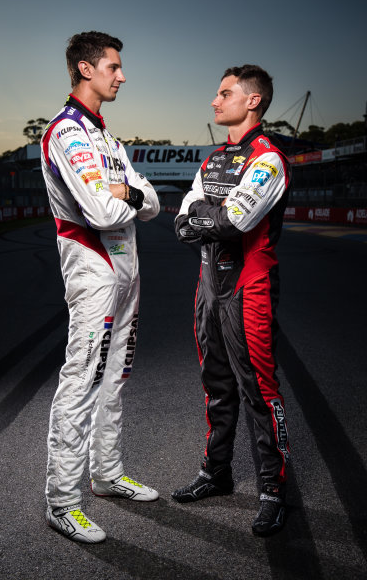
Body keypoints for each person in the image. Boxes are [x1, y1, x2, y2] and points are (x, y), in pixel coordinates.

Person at [41, 31, 160, 543]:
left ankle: (106, 475)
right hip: (93, 271)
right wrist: (127, 196)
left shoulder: (110, 141)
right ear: (85, 69)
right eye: (113, 66)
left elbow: (151, 202)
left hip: (128, 270)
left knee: (115, 380)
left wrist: (128, 189)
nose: (122, 74)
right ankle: (62, 502)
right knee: (81, 381)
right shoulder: (66, 133)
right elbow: (103, 210)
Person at [173, 65, 291, 536]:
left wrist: (206, 216)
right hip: (208, 287)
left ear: (253, 101)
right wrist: (208, 215)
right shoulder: (213, 161)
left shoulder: (269, 160)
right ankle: (216, 472)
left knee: (260, 392)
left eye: (224, 94)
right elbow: (183, 221)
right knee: (216, 384)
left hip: (249, 288)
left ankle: (273, 490)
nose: (214, 101)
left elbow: (235, 223)